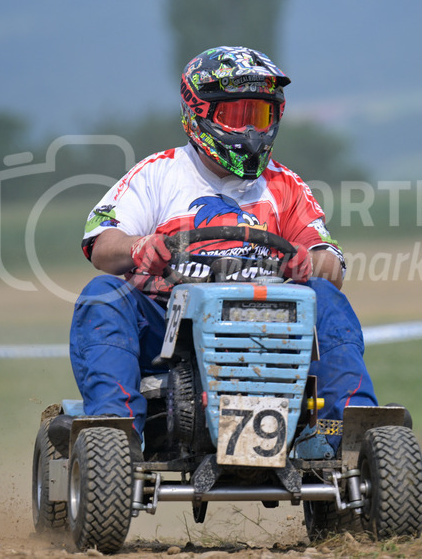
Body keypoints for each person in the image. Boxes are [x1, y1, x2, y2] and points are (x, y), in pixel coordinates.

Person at [61, 45, 377, 459]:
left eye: (260, 116)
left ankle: (346, 434)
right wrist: (140, 247)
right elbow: (102, 244)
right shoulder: (159, 173)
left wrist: (310, 262)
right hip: (168, 325)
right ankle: (117, 439)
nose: (250, 132)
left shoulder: (286, 186)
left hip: (269, 325)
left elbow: (329, 261)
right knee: (104, 294)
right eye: (237, 116)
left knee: (328, 298)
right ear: (199, 114)